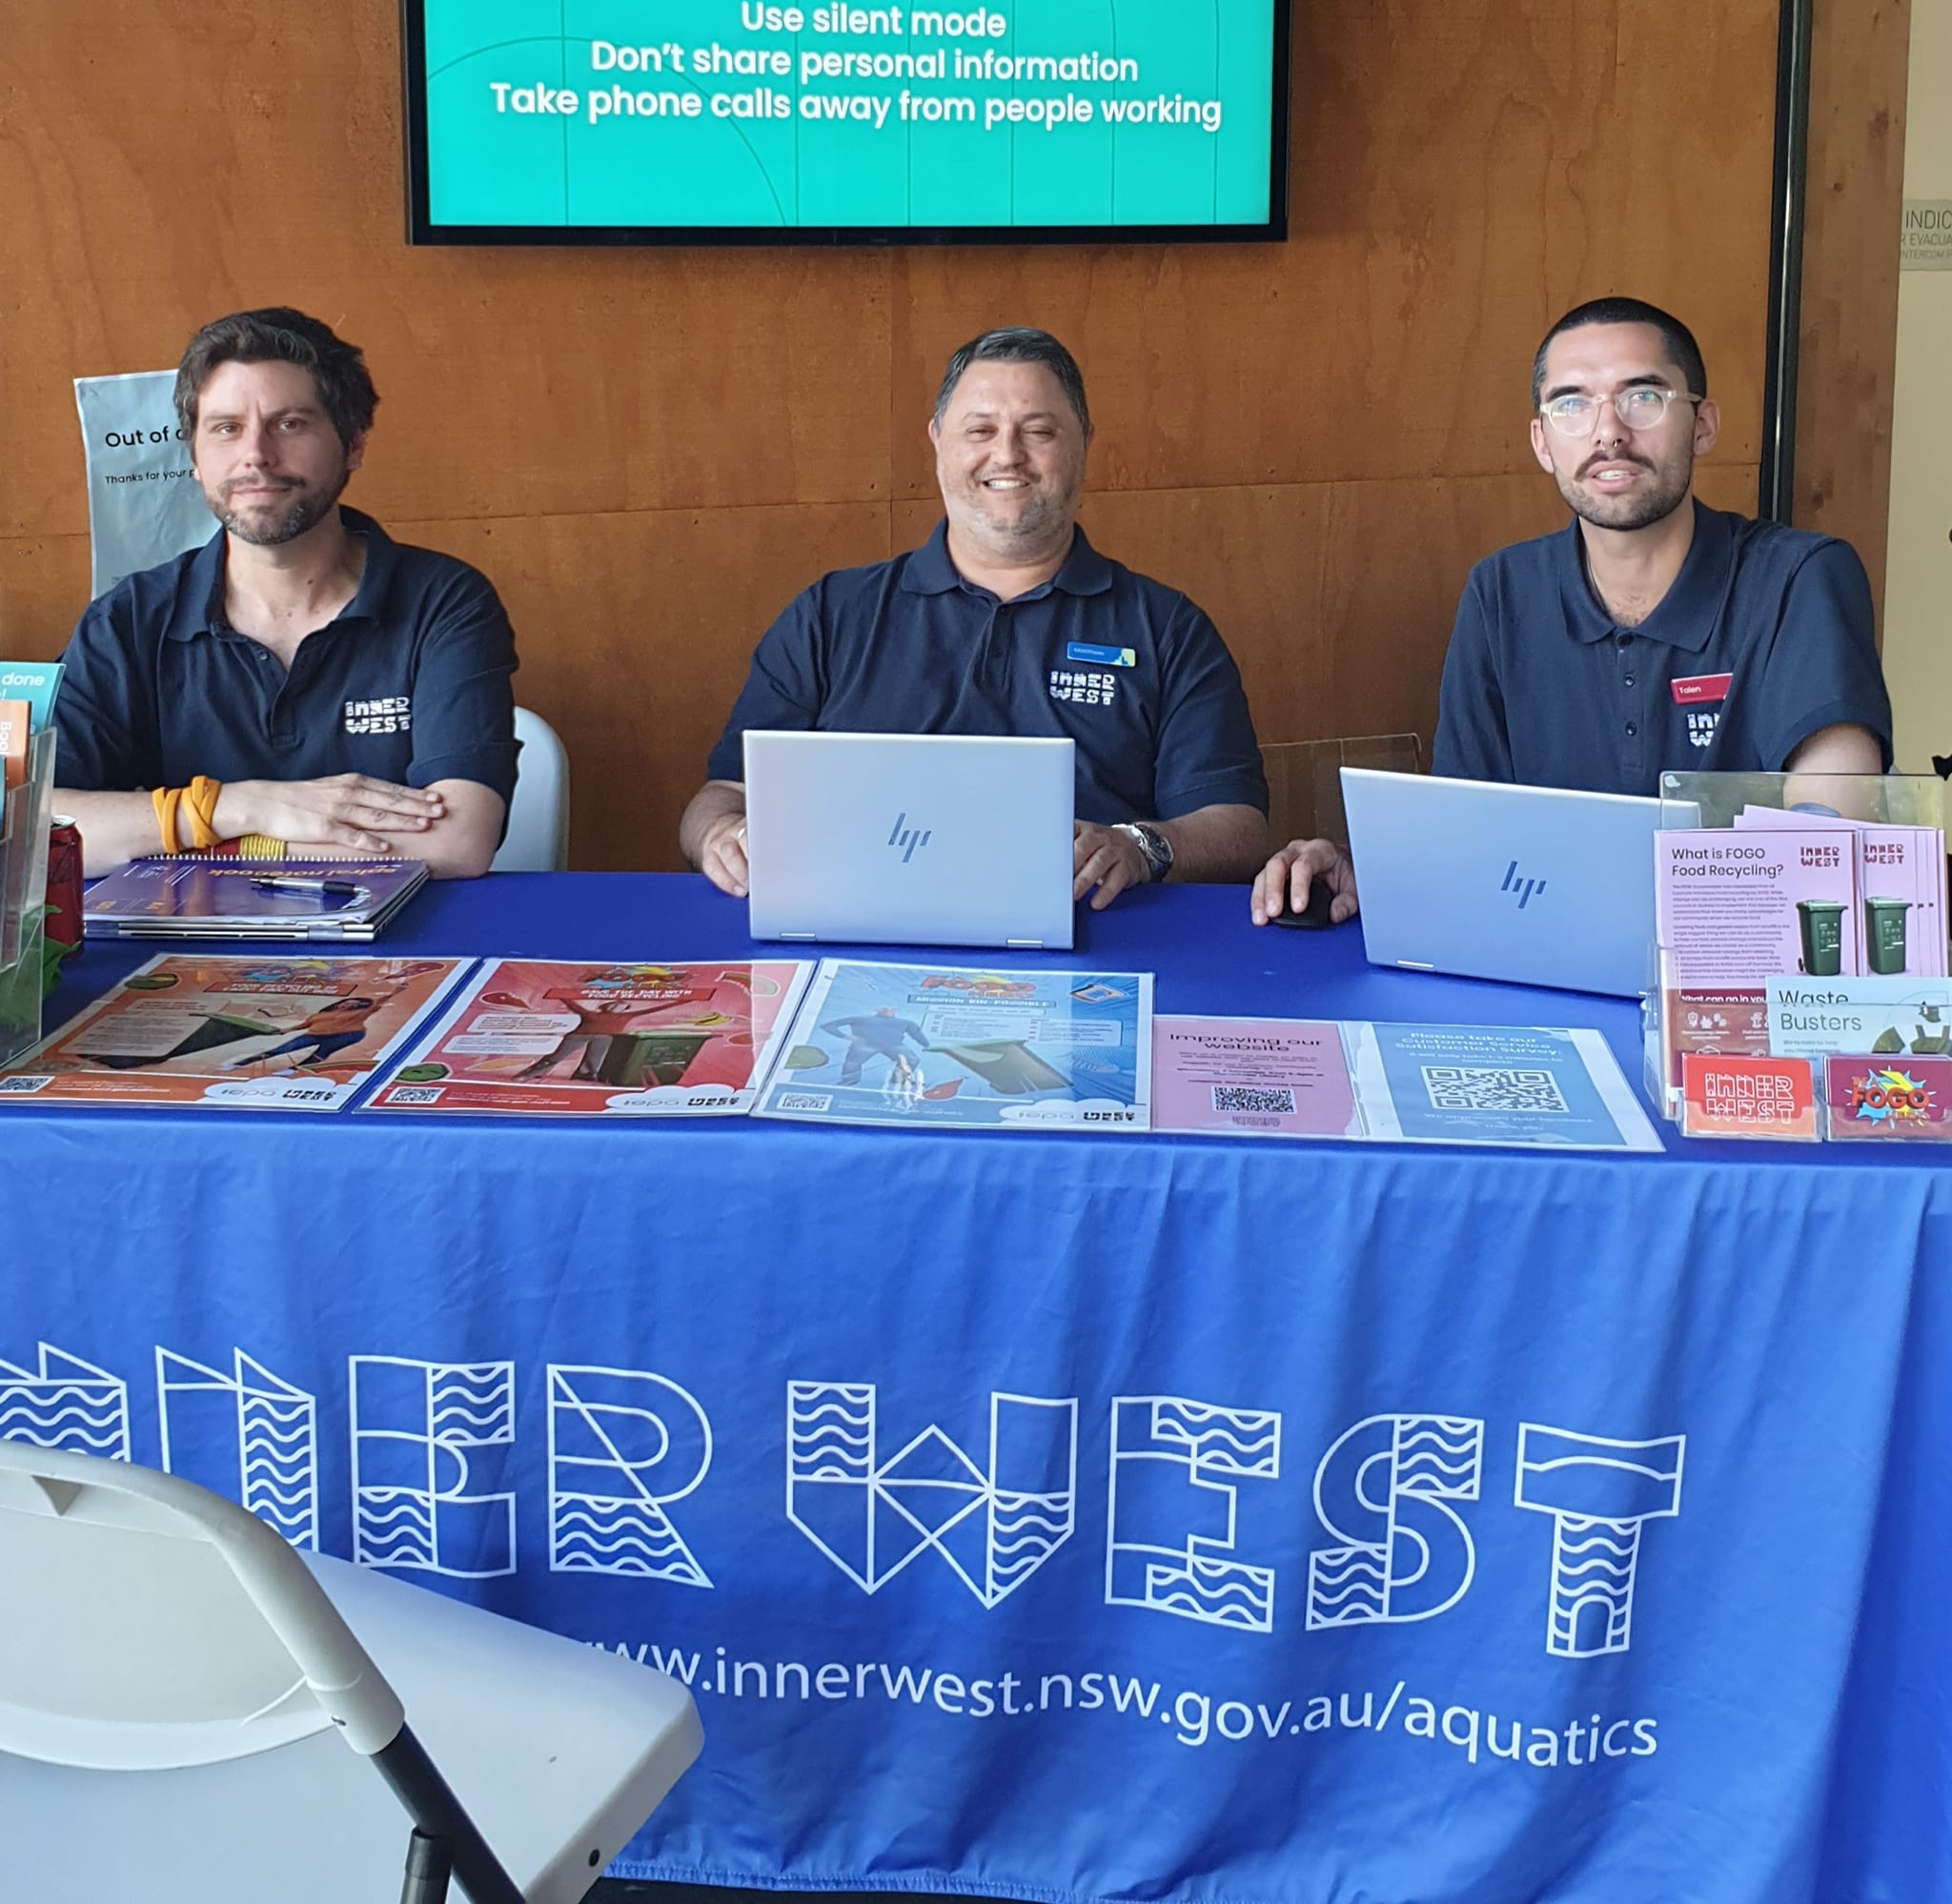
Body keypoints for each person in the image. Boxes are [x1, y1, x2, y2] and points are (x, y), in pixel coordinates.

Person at [680, 326, 1286, 911]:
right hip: (855, 934)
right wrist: (719, 838)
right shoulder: (830, 614)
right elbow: (726, 794)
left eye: (1039, 430)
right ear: (938, 438)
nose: (1008, 455)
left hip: (1100, 935)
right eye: (981, 429)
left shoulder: (1168, 628)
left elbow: (1234, 825)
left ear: (1083, 443)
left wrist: (1139, 846)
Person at [54, 307, 518, 878]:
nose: (256, 455)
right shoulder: (127, 619)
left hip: (402, 947)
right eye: (226, 428)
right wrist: (246, 805)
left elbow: (457, 841)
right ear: (195, 459)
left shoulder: (444, 601)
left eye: (291, 423)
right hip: (183, 953)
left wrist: (171, 835)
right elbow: (43, 826)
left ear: (352, 446)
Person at [1433, 294, 1891, 792]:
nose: (1608, 433)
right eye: (1571, 404)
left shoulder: (1799, 578)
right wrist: (1367, 869)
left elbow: (1829, 829)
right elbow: (1465, 825)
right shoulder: (1500, 593)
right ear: (1542, 442)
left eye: (1644, 398)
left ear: (1703, 426)